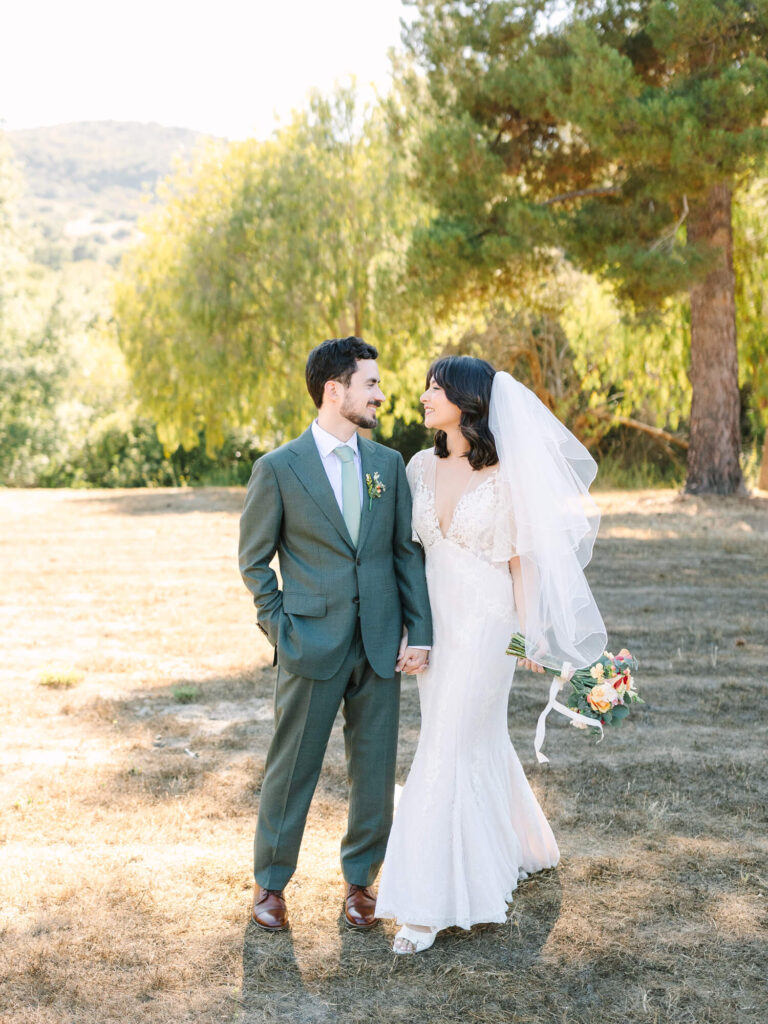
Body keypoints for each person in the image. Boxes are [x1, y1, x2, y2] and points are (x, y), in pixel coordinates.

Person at [375, 355, 606, 954]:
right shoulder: (418, 466)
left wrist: (527, 636)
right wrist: (409, 626)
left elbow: (520, 563)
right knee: (469, 738)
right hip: (436, 625)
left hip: (487, 625)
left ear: (468, 400)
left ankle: (425, 905)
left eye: (436, 386)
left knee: (446, 743)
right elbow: (406, 556)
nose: (424, 394)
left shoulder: (506, 475)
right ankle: (521, 843)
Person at [239, 336, 432, 933]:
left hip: (379, 643)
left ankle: (361, 882)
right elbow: (253, 562)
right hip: (309, 644)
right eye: (370, 383)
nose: (381, 393)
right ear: (334, 390)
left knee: (373, 770)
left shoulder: (388, 466)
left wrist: (417, 630)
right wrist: (281, 627)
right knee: (291, 766)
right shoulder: (277, 469)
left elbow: (406, 556)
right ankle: (271, 885)